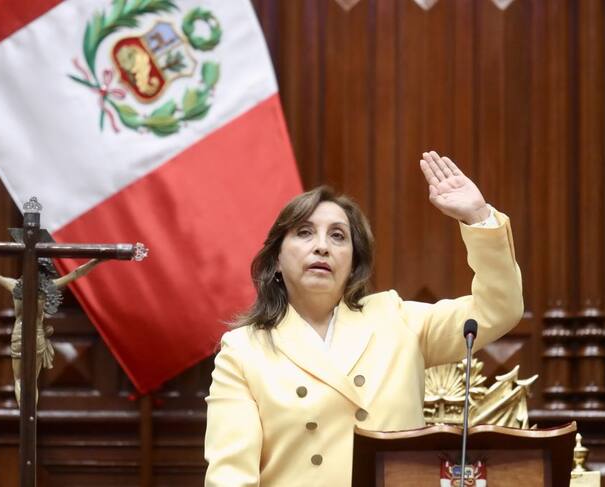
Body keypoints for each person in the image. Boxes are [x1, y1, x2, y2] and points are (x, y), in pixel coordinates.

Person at [204, 151, 523, 486]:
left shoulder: (397, 319)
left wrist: (477, 216)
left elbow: (498, 309)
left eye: (338, 236)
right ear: (277, 261)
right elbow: (230, 478)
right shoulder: (243, 350)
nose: (322, 247)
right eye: (304, 232)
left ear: (354, 263)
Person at [0, 257, 102, 405]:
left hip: (19, 332)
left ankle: (24, 412)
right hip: (36, 333)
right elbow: (76, 273)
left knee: (19, 379)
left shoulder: (14, 285)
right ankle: (30, 414)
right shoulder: (47, 287)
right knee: (32, 380)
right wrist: (96, 261)